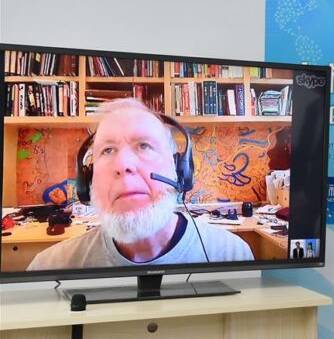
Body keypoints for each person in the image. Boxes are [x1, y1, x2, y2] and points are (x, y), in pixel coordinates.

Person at [27, 98, 253, 270]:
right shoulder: (49, 268)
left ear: (179, 171)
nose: (123, 164)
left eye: (144, 146)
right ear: (88, 180)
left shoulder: (231, 255)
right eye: (107, 150)